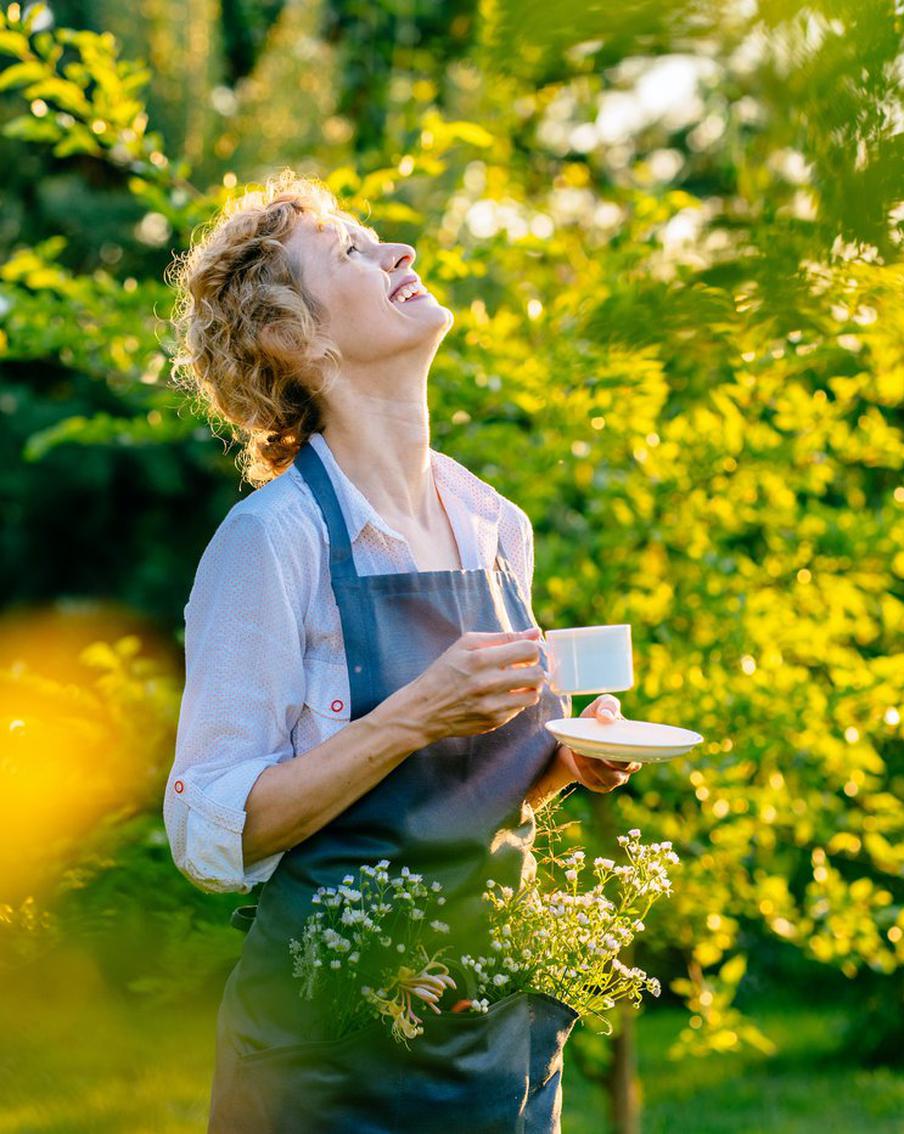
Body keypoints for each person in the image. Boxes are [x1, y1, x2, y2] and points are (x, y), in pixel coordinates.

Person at [163, 168, 641, 1133]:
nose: (400, 252)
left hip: (494, 1036)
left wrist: (564, 764)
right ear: (290, 338)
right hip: (328, 1063)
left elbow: (460, 799)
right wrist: (413, 714)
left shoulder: (494, 524)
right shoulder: (272, 542)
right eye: (350, 251)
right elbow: (210, 835)